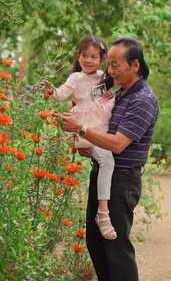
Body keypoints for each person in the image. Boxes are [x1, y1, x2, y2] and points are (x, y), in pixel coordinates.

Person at [61, 37, 159, 281]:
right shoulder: (118, 94)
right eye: (110, 64)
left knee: (116, 251)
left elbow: (116, 144)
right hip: (103, 174)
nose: (110, 70)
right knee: (96, 244)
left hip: (122, 181)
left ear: (134, 65)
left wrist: (81, 128)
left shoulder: (142, 99)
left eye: (115, 65)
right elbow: (100, 131)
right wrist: (86, 140)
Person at [40, 35, 117, 240]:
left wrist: (109, 96)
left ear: (101, 58)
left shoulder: (103, 76)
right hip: (82, 130)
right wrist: (51, 90)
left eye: (93, 56)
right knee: (105, 159)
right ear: (79, 56)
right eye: (84, 55)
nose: (88, 60)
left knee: (107, 159)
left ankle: (102, 212)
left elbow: (107, 95)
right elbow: (61, 94)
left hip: (100, 129)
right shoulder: (75, 78)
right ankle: (101, 212)